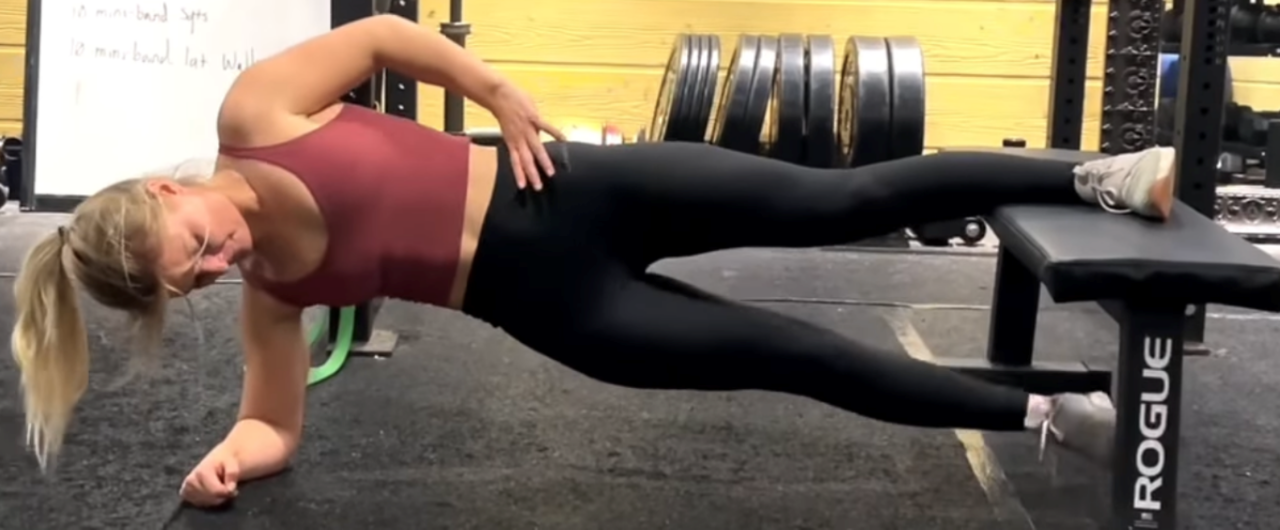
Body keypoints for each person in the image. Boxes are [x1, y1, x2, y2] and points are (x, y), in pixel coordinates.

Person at [10, 14, 1173, 507]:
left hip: (566, 185)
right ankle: (1046, 412)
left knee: (843, 197)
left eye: (197, 244)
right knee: (794, 355)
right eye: (193, 283)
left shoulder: (260, 111)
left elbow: (378, 37)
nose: (218, 264)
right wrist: (229, 456)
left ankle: (1092, 171)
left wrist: (502, 95)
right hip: (557, 305)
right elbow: (276, 426)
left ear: (171, 188)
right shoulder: (275, 298)